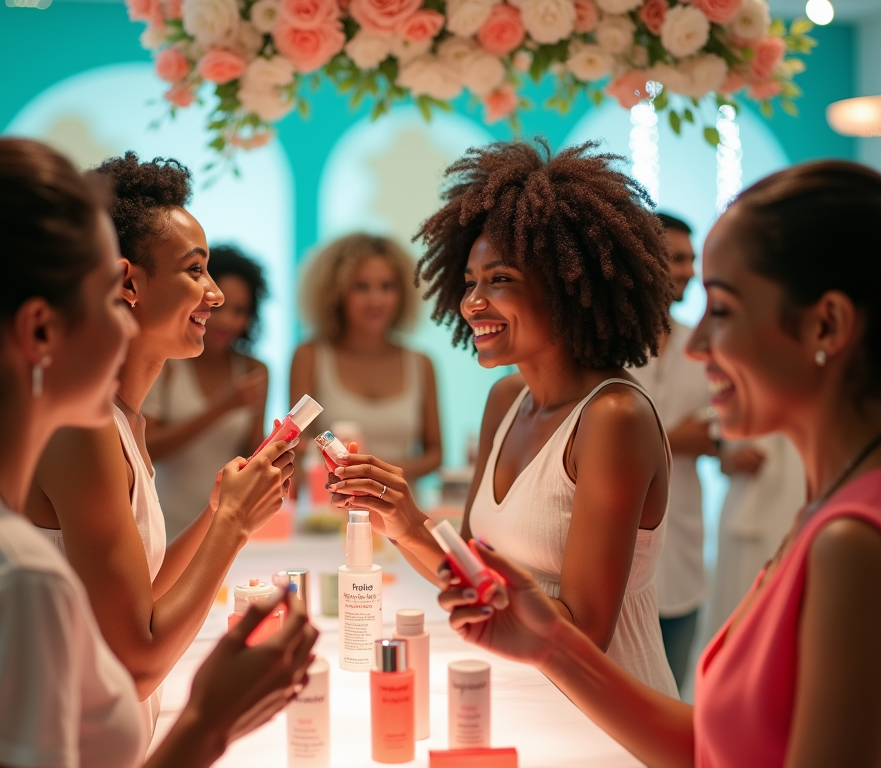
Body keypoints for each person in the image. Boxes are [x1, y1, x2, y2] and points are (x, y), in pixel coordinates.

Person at [440, 160, 881, 767]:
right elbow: (716, 746)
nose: (698, 342)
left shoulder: (853, 541)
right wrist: (552, 643)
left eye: (725, 309)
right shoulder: (836, 510)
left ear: (828, 325)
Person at [0, 138, 318, 768]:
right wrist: (208, 721)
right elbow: (130, 657)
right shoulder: (13, 581)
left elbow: (129, 604)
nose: (120, 319)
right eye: (102, 295)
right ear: (39, 328)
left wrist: (225, 515)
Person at [328, 140, 679, 694]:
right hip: (524, 693)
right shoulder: (507, 399)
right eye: (469, 282)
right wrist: (399, 518)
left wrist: (416, 526)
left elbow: (585, 633)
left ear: (569, 286)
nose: (472, 303)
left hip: (606, 710)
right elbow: (472, 573)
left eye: (500, 279)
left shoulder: (614, 417)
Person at [25, 152, 295, 737]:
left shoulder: (122, 419)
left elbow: (142, 595)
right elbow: (133, 665)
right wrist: (232, 528)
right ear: (127, 282)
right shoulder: (81, 422)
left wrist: (221, 510)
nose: (216, 296)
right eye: (196, 271)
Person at [290, 232, 441, 487]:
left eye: (387, 286)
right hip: (328, 515)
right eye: (361, 287)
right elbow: (297, 445)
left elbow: (435, 454)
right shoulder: (310, 356)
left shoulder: (421, 363)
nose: (375, 300)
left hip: (400, 514)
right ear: (335, 292)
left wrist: (375, 473)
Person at [634, 212, 713, 691]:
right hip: (623, 551)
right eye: (676, 258)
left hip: (684, 540)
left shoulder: (701, 345)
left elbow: (716, 428)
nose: (688, 270)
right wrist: (674, 440)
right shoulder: (605, 345)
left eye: (691, 259)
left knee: (675, 690)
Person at [143, 245, 270, 540]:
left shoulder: (255, 370)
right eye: (220, 308)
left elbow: (251, 452)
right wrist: (221, 408)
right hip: (166, 525)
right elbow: (148, 448)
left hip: (225, 527)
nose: (227, 321)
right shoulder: (168, 364)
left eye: (240, 311)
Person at [708, 431, 805, 637]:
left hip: (802, 493)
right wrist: (731, 459)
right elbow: (721, 452)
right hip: (750, 502)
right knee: (740, 609)